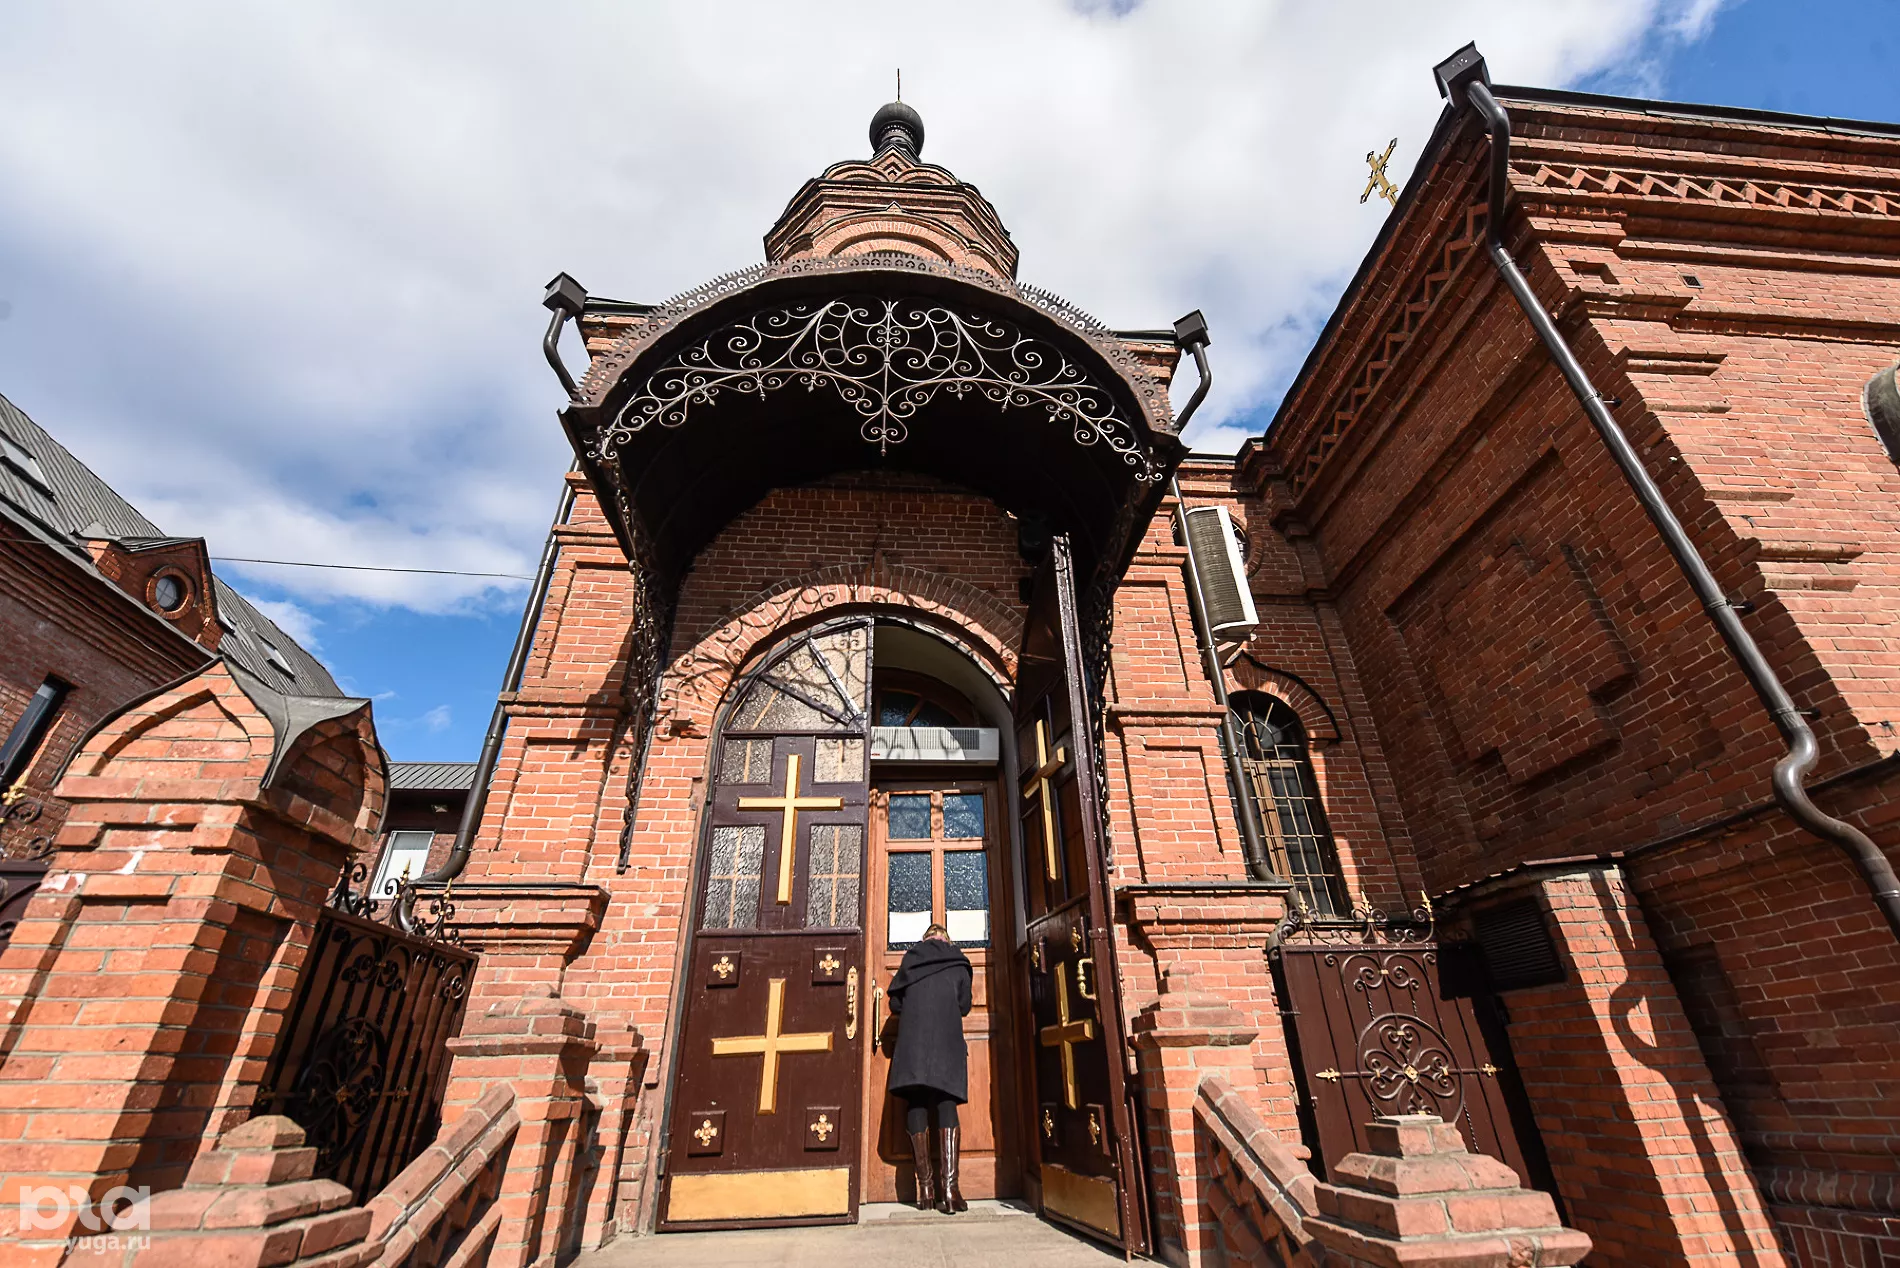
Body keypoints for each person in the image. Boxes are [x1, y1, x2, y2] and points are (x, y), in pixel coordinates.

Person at [886, 921, 973, 1213]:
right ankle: (950, 1191)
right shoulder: (958, 963)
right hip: (946, 1041)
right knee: (947, 1101)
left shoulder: (910, 961)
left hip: (914, 1043)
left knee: (917, 1102)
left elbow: (895, 1005)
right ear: (947, 940)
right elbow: (964, 1006)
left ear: (924, 940)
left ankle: (924, 1190)